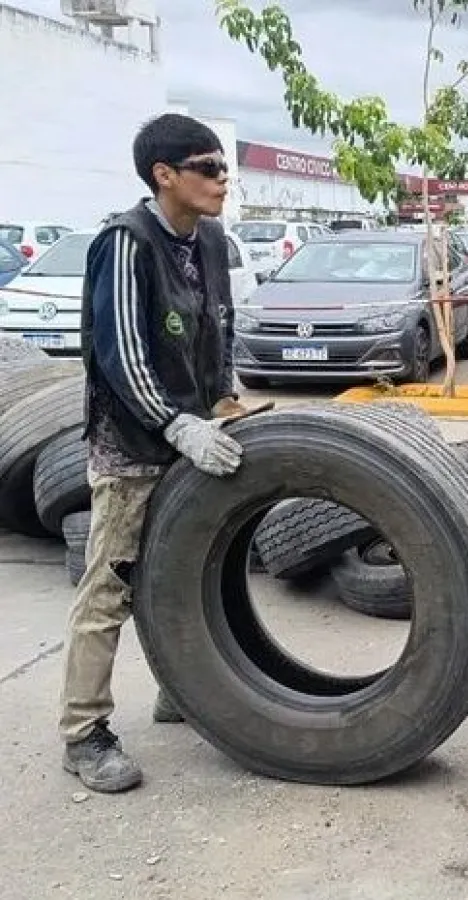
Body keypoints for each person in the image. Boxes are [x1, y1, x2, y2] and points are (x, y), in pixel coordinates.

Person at [59, 113, 248, 793]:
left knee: (188, 572)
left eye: (225, 167)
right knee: (109, 588)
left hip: (193, 435)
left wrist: (223, 400)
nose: (223, 179)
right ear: (164, 175)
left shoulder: (211, 239)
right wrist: (176, 424)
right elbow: (121, 356)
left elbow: (218, 326)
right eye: (208, 167)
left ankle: (185, 690)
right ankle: (84, 733)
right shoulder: (125, 244)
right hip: (134, 445)